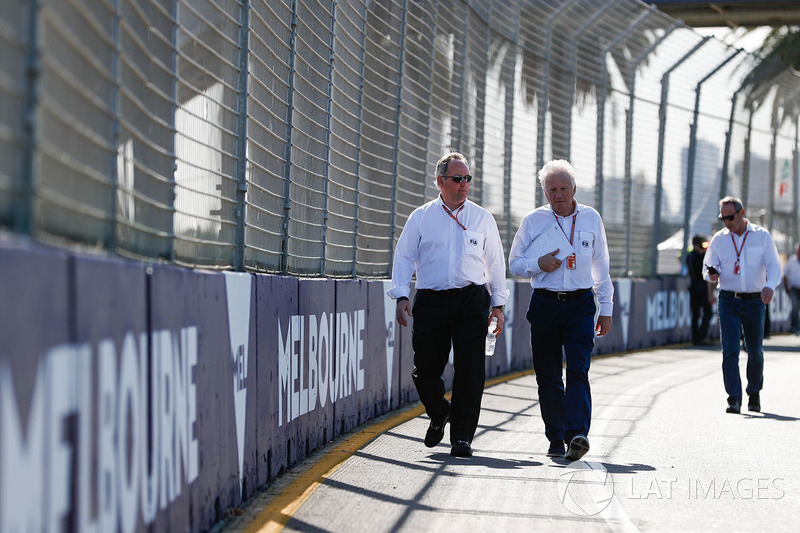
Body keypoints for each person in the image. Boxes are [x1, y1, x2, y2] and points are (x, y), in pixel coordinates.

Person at [387, 151, 509, 458]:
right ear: (440, 182)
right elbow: (403, 257)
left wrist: (498, 306)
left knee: (470, 369)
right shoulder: (422, 217)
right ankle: (439, 411)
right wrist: (402, 295)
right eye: (457, 179)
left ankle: (462, 438)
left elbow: (495, 263)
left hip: (472, 301)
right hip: (431, 301)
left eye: (467, 178)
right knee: (425, 370)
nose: (464, 184)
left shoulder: (482, 218)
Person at [508, 159, 613, 461]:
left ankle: (576, 434)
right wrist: (536, 264)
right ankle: (556, 437)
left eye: (563, 188)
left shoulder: (591, 219)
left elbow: (601, 266)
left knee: (579, 369)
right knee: (549, 375)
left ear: (574, 189)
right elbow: (514, 264)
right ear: (544, 192)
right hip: (545, 305)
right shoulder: (533, 221)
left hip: (581, 303)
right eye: (551, 189)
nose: (558, 194)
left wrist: (605, 307)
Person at [704, 196, 781, 414]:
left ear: (741, 213)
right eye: (723, 218)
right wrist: (712, 274)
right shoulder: (719, 239)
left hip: (756, 299)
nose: (727, 222)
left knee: (755, 350)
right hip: (728, 298)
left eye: (730, 217)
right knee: (730, 350)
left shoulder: (761, 236)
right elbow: (707, 267)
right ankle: (733, 398)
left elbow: (774, 266)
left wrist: (770, 286)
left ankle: (754, 392)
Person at [686, 235, 713, 345]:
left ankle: (695, 337)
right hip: (702, 286)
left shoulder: (690, 256)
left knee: (695, 313)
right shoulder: (701, 256)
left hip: (693, 286)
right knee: (707, 312)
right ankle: (701, 336)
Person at [782, 243, 800, 335]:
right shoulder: (792, 261)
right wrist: (786, 287)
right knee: (795, 307)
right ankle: (795, 327)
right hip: (794, 288)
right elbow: (785, 274)